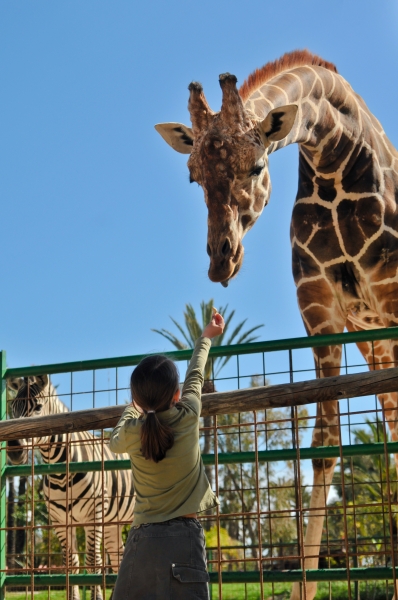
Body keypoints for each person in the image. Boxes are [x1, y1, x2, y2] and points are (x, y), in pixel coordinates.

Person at [110, 310, 225, 599]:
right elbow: (195, 375)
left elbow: (114, 441)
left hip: (143, 539)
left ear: (136, 398)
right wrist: (205, 338)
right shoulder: (188, 416)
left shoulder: (132, 431)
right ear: (176, 394)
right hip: (186, 538)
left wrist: (130, 410)